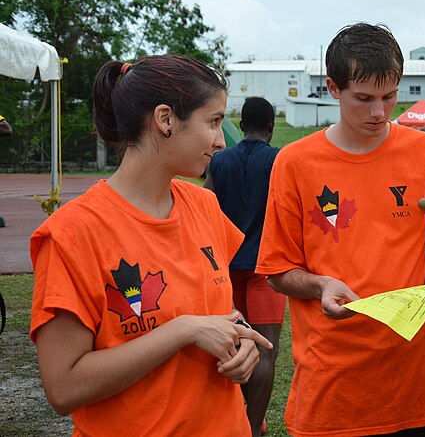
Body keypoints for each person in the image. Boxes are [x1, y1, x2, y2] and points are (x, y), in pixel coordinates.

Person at [29, 55, 272, 436]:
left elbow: (220, 308)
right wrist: (181, 331)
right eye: (214, 121)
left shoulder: (205, 206)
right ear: (165, 120)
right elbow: (64, 387)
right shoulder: (73, 233)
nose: (221, 141)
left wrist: (241, 338)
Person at [256, 22, 425, 437]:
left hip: (407, 382)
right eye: (363, 99)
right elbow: (277, 270)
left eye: (389, 97)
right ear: (332, 88)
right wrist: (321, 284)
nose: (379, 112)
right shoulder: (294, 162)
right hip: (330, 381)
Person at [205, 96, 284, 437]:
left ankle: (240, 419)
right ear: (271, 126)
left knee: (233, 346)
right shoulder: (278, 160)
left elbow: (207, 206)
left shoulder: (219, 160)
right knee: (265, 349)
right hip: (266, 267)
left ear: (239, 123)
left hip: (227, 266)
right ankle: (252, 427)